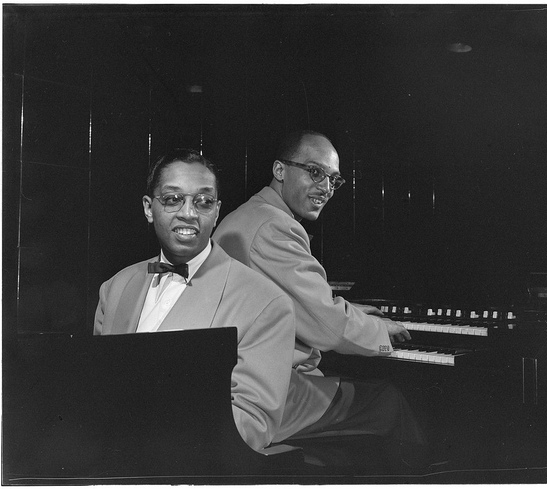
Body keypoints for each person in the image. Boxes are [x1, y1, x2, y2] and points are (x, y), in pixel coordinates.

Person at [213, 130, 425, 453]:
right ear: (280, 171)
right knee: (389, 401)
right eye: (315, 172)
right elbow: (328, 325)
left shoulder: (246, 216)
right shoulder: (274, 227)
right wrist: (383, 335)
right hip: (267, 395)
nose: (325, 188)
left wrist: (350, 310)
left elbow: (300, 302)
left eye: (334, 180)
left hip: (235, 382)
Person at [94, 149, 296, 452]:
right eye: (173, 199)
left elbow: (252, 424)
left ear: (216, 212)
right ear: (149, 209)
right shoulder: (115, 288)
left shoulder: (266, 304)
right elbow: (96, 394)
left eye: (203, 201)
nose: (189, 213)